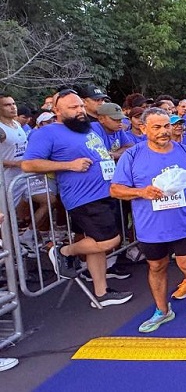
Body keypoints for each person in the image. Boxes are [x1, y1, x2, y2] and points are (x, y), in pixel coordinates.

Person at [22, 89, 133, 306]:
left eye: (81, 106)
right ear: (57, 110)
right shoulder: (47, 133)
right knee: (109, 241)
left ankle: (101, 293)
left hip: (106, 192)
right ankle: (63, 251)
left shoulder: (87, 128)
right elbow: (28, 164)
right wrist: (69, 165)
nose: (80, 110)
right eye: (73, 107)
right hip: (84, 197)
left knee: (98, 244)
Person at [110, 108, 186, 333]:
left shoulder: (185, 151)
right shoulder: (132, 155)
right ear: (143, 129)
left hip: (182, 223)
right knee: (157, 266)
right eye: (157, 127)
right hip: (151, 227)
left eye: (166, 126)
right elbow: (115, 189)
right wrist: (141, 192)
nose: (163, 131)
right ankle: (162, 310)